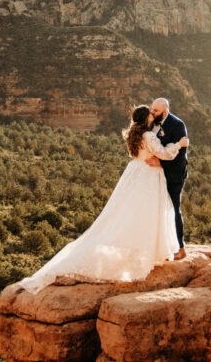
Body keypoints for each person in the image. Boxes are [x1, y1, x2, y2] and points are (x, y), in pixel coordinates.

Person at [17, 105, 188, 292]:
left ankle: (142, 251)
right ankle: (148, 253)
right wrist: (179, 144)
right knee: (146, 213)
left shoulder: (133, 133)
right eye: (150, 114)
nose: (152, 116)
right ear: (145, 118)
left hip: (135, 172)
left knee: (129, 212)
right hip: (148, 175)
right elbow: (163, 153)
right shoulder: (148, 135)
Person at [147, 97, 189, 260]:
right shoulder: (153, 122)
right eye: (152, 109)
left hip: (174, 174)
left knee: (174, 209)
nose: (152, 112)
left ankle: (181, 247)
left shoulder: (177, 124)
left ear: (165, 111)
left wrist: (161, 162)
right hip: (155, 174)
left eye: (155, 110)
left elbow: (181, 154)